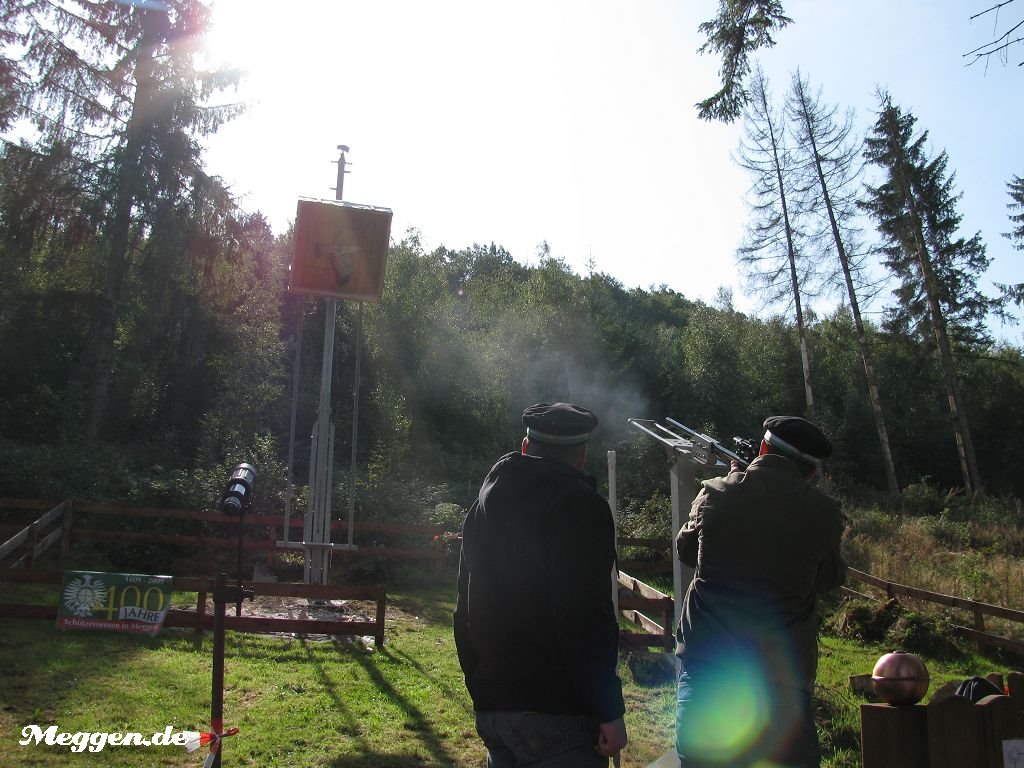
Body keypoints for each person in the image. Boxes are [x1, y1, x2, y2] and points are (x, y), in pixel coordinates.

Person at [454, 402, 628, 768]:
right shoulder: (582, 507)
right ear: (581, 456)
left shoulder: (483, 504)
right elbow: (583, 615)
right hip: (558, 712)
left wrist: (480, 683)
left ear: (524, 446)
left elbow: (463, 606)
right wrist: (609, 709)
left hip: (494, 706)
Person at [674, 416, 847, 768]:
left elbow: (686, 550)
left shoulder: (717, 492)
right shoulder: (824, 513)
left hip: (709, 673)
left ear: (763, 448)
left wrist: (734, 479)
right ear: (812, 471)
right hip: (782, 686)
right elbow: (830, 577)